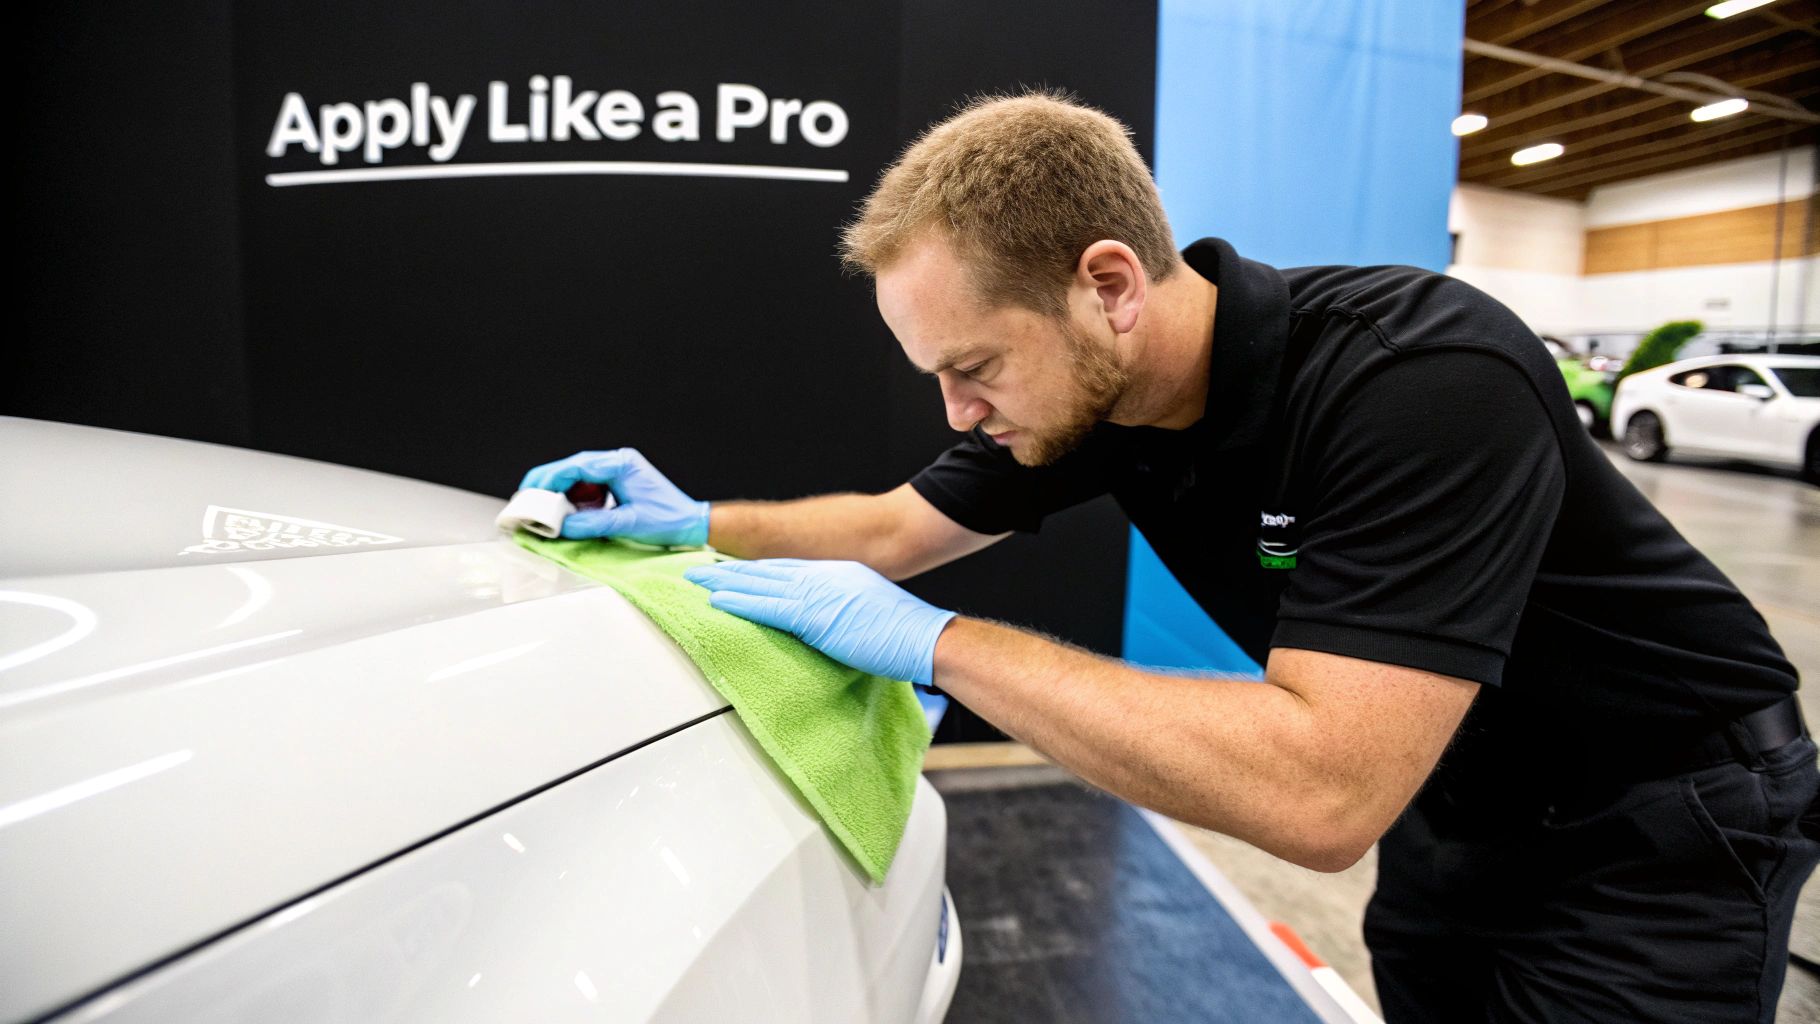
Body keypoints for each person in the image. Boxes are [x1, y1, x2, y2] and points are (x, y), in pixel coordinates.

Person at [519, 93, 1817, 1022]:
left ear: (1109, 284)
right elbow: (887, 529)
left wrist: (941, 644)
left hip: (1663, 818)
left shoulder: (1419, 378)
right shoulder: (1098, 397)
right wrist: (689, 525)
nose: (958, 413)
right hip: (1458, 803)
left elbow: (1320, 794)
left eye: (972, 369)